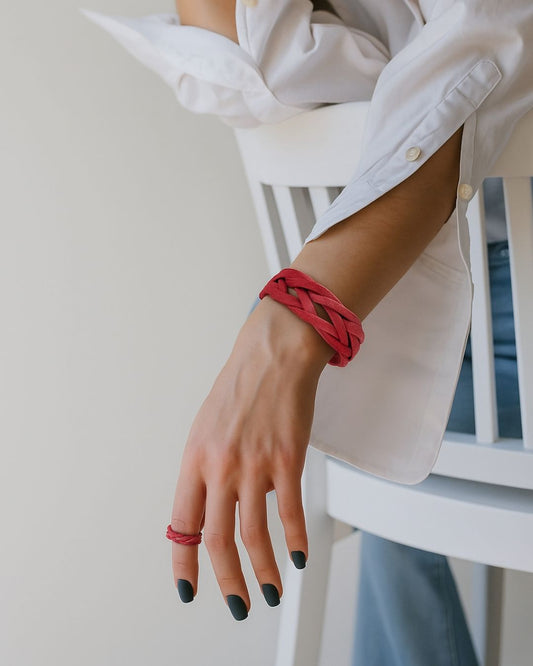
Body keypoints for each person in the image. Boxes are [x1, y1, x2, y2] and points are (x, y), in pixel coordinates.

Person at [81, 1, 533, 662]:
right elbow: (264, 71)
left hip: (486, 298)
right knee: (373, 447)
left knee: (376, 451)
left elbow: (487, 39)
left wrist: (291, 322)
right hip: (433, 290)